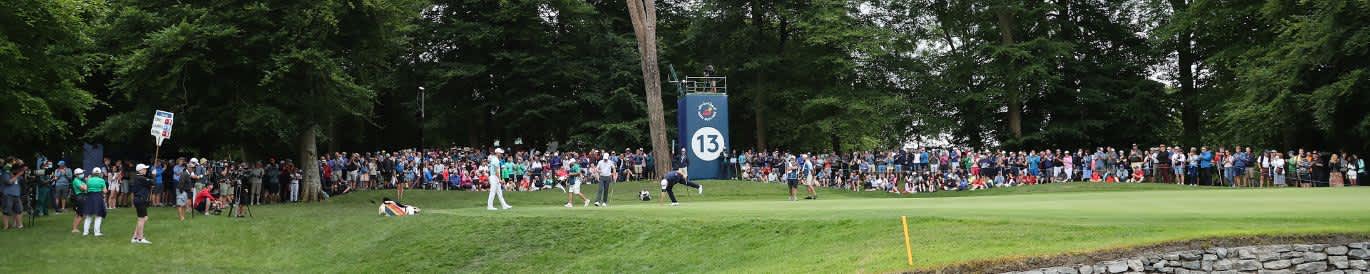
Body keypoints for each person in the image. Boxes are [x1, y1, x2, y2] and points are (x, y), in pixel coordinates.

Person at [129, 164, 153, 244]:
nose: (146, 170)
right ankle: (140, 238)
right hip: (140, 199)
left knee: (144, 218)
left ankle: (135, 236)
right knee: (141, 219)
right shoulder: (140, 178)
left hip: (139, 199)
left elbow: (150, 184)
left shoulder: (138, 178)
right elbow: (153, 182)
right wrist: (154, 175)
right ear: (140, 170)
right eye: (144, 169)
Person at [82, 168, 108, 237]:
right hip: (98, 197)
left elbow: (86, 190)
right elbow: (105, 191)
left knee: (88, 216)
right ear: (99, 173)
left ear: (93, 173)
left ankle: (85, 232)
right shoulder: (102, 180)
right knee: (98, 216)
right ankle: (97, 232)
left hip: (90, 197)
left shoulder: (89, 180)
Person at [2, 162, 26, 229]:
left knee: (19, 210)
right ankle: (6, 226)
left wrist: (23, 173)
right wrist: (18, 175)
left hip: (17, 195)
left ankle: (19, 225)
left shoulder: (18, 175)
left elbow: (23, 182)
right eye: (18, 169)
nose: (19, 171)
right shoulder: (6, 174)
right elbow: (8, 182)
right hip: (8, 195)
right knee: (7, 211)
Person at [69, 168, 86, 233]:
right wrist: (85, 186)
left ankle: (74, 227)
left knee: (78, 214)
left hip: (81, 197)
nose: (83, 174)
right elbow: (84, 188)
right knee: (81, 214)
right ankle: (74, 229)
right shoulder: (76, 180)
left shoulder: (80, 180)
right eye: (81, 173)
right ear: (77, 175)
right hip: (80, 198)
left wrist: (85, 186)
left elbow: (85, 187)